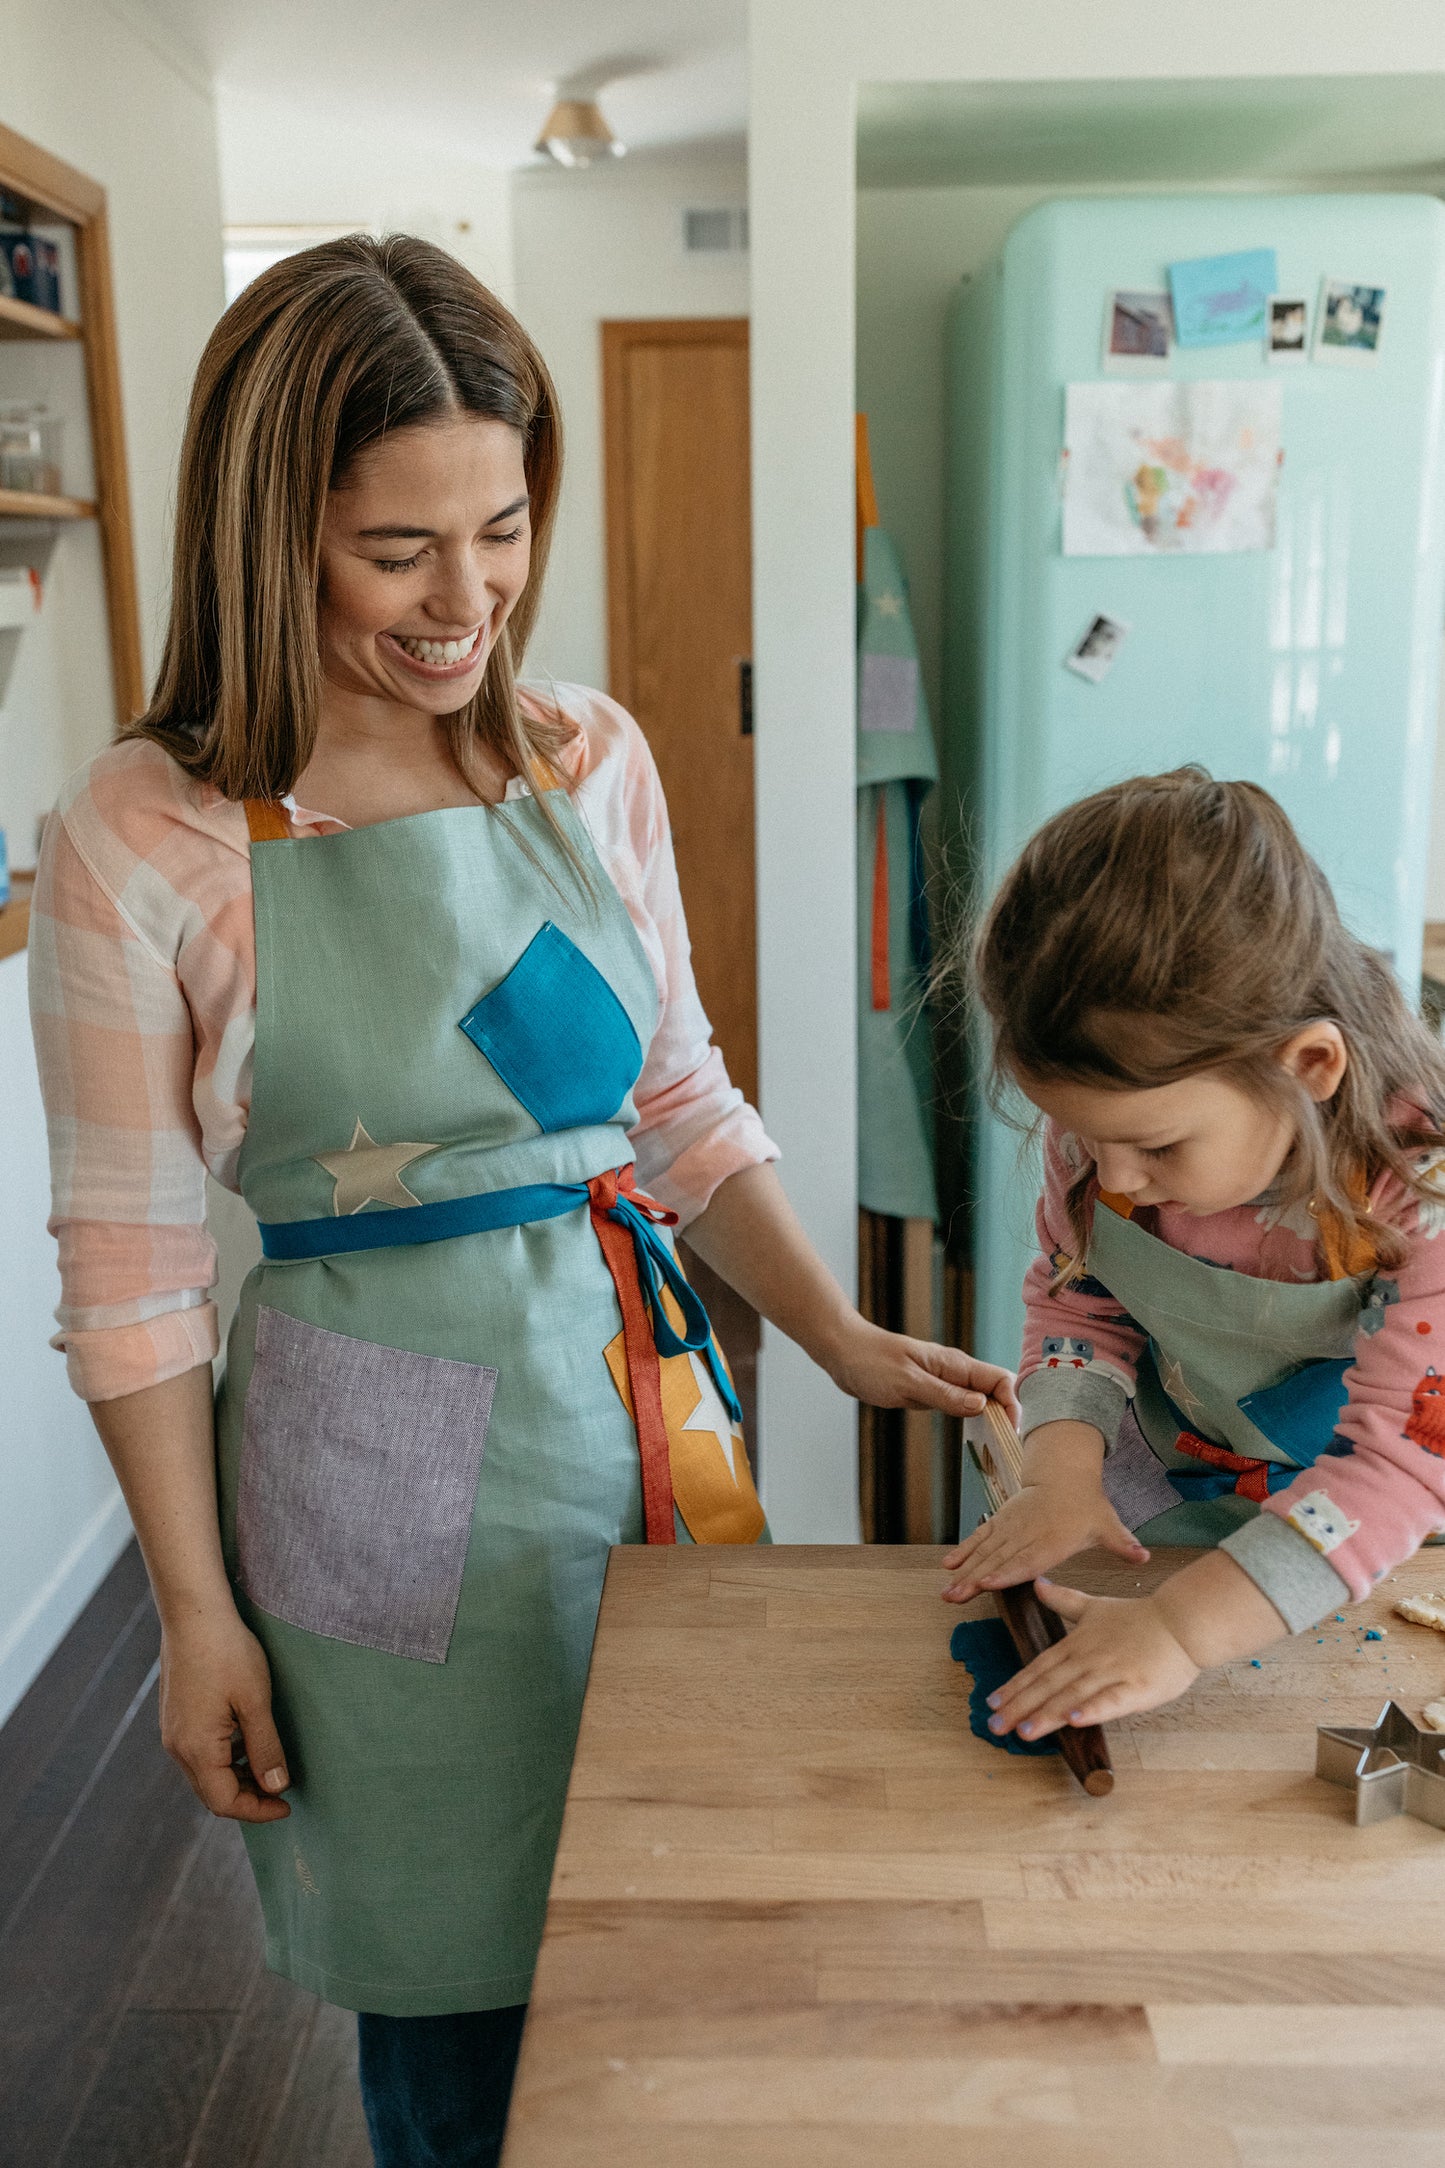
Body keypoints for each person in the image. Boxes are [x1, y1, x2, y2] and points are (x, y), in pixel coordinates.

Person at [28, 235, 1013, 2168]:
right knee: (458, 2000)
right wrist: (191, 1612)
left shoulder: (584, 752)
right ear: (269, 525)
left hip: (637, 1408)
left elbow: (672, 1103)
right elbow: (133, 1278)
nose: (466, 596)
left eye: (502, 525)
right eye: (399, 548)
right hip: (365, 1460)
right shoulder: (146, 827)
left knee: (687, 1940)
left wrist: (835, 1334)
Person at [941, 767, 1445, 1746]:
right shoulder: (1106, 1134)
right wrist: (1059, 1470)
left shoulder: (1414, 1192)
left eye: (1159, 1147)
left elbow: (1395, 1464)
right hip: (1172, 1498)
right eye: (1084, 1136)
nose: (1116, 1180)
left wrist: (1179, 1628)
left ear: (1305, 1067)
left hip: (1366, 1535)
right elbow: (1076, 1304)